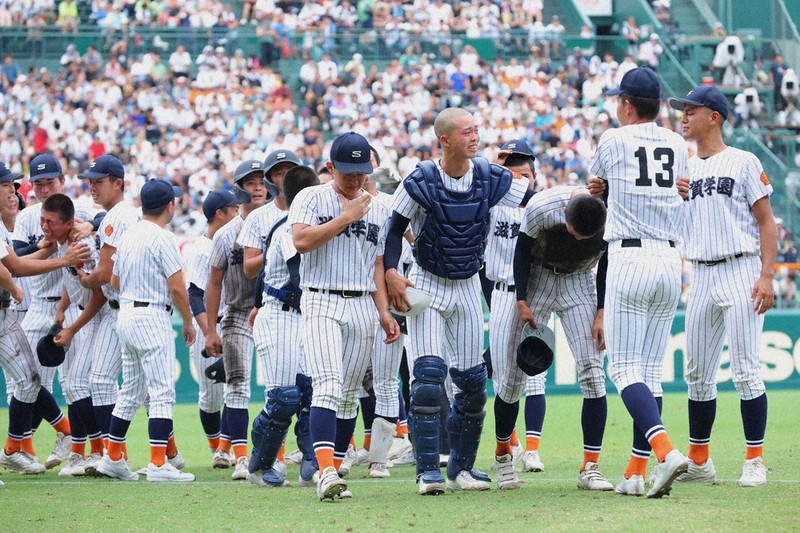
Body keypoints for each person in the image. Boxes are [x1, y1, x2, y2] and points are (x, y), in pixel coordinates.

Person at [384, 108, 530, 495]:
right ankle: (427, 471)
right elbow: (394, 230)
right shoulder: (420, 179)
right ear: (445, 140)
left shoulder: (489, 176)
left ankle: (462, 468)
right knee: (428, 380)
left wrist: (580, 198)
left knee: (472, 384)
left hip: (467, 284)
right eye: (466, 132)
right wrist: (390, 270)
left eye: (476, 130)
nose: (475, 137)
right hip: (428, 283)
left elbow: (532, 199)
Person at [588, 67, 691, 499]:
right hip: (669, 259)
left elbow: (596, 187)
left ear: (627, 104)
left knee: (624, 369)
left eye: (619, 100)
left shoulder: (613, 138)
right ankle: (635, 472)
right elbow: (678, 190)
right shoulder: (678, 143)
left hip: (629, 256)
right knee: (650, 373)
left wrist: (600, 188)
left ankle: (665, 452)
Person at [669, 85, 776, 487]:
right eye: (683, 110)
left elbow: (766, 221)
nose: (683, 117)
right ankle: (700, 461)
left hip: (740, 269)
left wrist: (766, 274)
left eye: (691, 110)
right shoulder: (684, 170)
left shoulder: (744, 161)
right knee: (697, 374)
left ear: (714, 117)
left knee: (746, 371)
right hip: (701, 273)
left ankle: (754, 459)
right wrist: (678, 198)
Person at [290, 131, 399, 501]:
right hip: (321, 298)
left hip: (363, 303)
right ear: (330, 167)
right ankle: (324, 472)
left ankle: (334, 470)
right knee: (328, 385)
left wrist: (383, 311)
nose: (355, 179)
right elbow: (301, 241)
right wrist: (345, 217)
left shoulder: (379, 208)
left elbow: (378, 264)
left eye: (361, 172)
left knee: (350, 395)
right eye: (347, 172)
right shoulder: (311, 197)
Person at [509, 179, 613, 492]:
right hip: (539, 276)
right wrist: (521, 300)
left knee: (593, 373)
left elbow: (606, 262)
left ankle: (590, 467)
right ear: (565, 210)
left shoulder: (612, 212)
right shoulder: (542, 206)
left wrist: (601, 310)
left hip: (580, 282)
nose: (577, 238)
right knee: (516, 372)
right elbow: (522, 251)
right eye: (573, 230)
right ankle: (507, 453)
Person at [96, 179, 196, 482]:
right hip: (151, 316)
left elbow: (114, 281)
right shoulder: (164, 237)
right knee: (162, 392)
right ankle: (157, 463)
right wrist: (188, 321)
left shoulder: (128, 235)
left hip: (126, 313)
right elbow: (177, 287)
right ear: (169, 206)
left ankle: (113, 457)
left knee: (130, 391)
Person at [0, 163, 90, 477]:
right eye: (6, 186)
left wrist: (86, 229)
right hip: (32, 305)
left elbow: (14, 261)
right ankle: (38, 443)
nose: (14, 191)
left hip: (61, 307)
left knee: (40, 381)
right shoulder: (24, 218)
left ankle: (20, 449)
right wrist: (58, 256)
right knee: (25, 381)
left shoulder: (79, 210)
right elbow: (14, 265)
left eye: (13, 185)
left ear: (62, 181)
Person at [64, 155, 140, 464]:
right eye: (90, 182)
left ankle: (116, 457)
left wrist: (83, 277)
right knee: (133, 386)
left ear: (117, 183)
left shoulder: (115, 217)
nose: (92, 187)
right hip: (126, 306)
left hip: (124, 307)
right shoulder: (122, 215)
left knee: (106, 381)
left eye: (99, 181)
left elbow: (105, 274)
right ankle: (124, 456)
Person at [248, 165, 320, 488]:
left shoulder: (307, 226)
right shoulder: (291, 228)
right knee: (284, 398)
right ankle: (259, 465)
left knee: (311, 393)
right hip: (281, 314)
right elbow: (298, 278)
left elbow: (262, 274)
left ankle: (311, 464)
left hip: (300, 315)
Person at [204, 160, 268, 479]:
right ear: (239, 188)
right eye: (250, 182)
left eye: (261, 181)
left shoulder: (278, 222)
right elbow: (214, 282)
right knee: (237, 385)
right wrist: (210, 329)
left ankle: (273, 454)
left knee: (279, 386)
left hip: (274, 311)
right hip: (239, 312)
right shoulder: (226, 234)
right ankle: (241, 457)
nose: (257, 187)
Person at [482, 139, 540, 484]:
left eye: (525, 175)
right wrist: (494, 166)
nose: (520, 182)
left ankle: (531, 448)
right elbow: (476, 181)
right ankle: (505, 453)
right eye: (512, 176)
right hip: (504, 294)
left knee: (534, 379)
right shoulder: (492, 204)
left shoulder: (542, 206)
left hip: (537, 296)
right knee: (506, 382)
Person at [184, 189, 240, 466]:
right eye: (234, 210)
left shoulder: (234, 243)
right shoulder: (200, 248)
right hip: (209, 324)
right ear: (220, 213)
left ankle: (225, 449)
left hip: (232, 323)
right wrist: (208, 332)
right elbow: (194, 294)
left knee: (234, 390)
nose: (238, 214)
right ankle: (215, 446)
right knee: (210, 396)